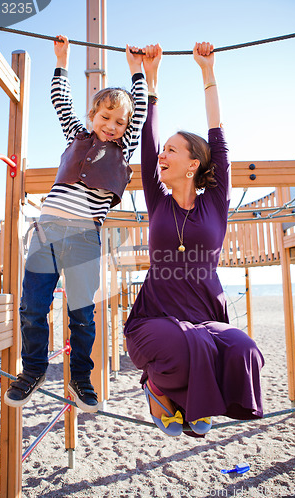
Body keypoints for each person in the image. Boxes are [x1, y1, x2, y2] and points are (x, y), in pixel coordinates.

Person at [124, 43, 265, 437]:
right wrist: (151, 81)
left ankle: (188, 401)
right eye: (163, 151)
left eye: (172, 150)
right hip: (155, 320)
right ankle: (157, 389)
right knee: (178, 346)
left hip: (204, 318)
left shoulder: (216, 203)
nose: (161, 156)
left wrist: (208, 73)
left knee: (243, 349)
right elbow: (146, 143)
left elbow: (219, 139)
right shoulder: (158, 201)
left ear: (193, 165)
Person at [4, 36, 148, 412]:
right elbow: (59, 100)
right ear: (92, 117)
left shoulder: (124, 147)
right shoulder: (76, 135)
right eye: (105, 118)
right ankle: (32, 368)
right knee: (32, 307)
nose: (112, 126)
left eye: (120, 122)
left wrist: (136, 71)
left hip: (85, 239)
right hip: (47, 232)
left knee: (82, 313)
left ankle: (81, 377)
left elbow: (142, 110)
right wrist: (62, 60)